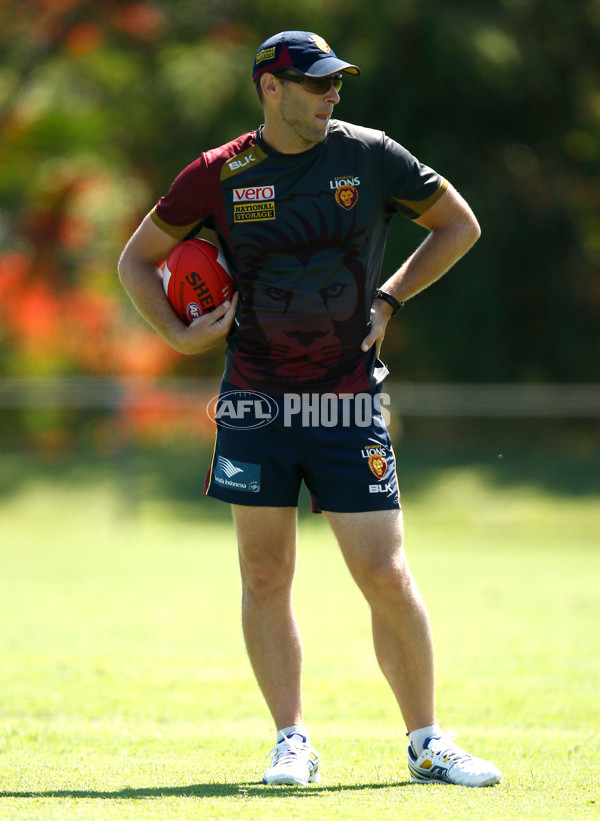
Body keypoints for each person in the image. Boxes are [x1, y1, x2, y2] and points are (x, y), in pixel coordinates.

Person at [118, 30, 501, 789]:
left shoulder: (371, 154)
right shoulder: (220, 173)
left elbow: (459, 224)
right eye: (317, 83)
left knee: (384, 571)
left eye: (335, 83)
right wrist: (179, 334)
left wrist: (391, 296)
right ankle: (292, 741)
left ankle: (427, 740)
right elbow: (136, 258)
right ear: (271, 87)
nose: (333, 94)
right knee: (266, 572)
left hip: (348, 402)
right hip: (255, 406)